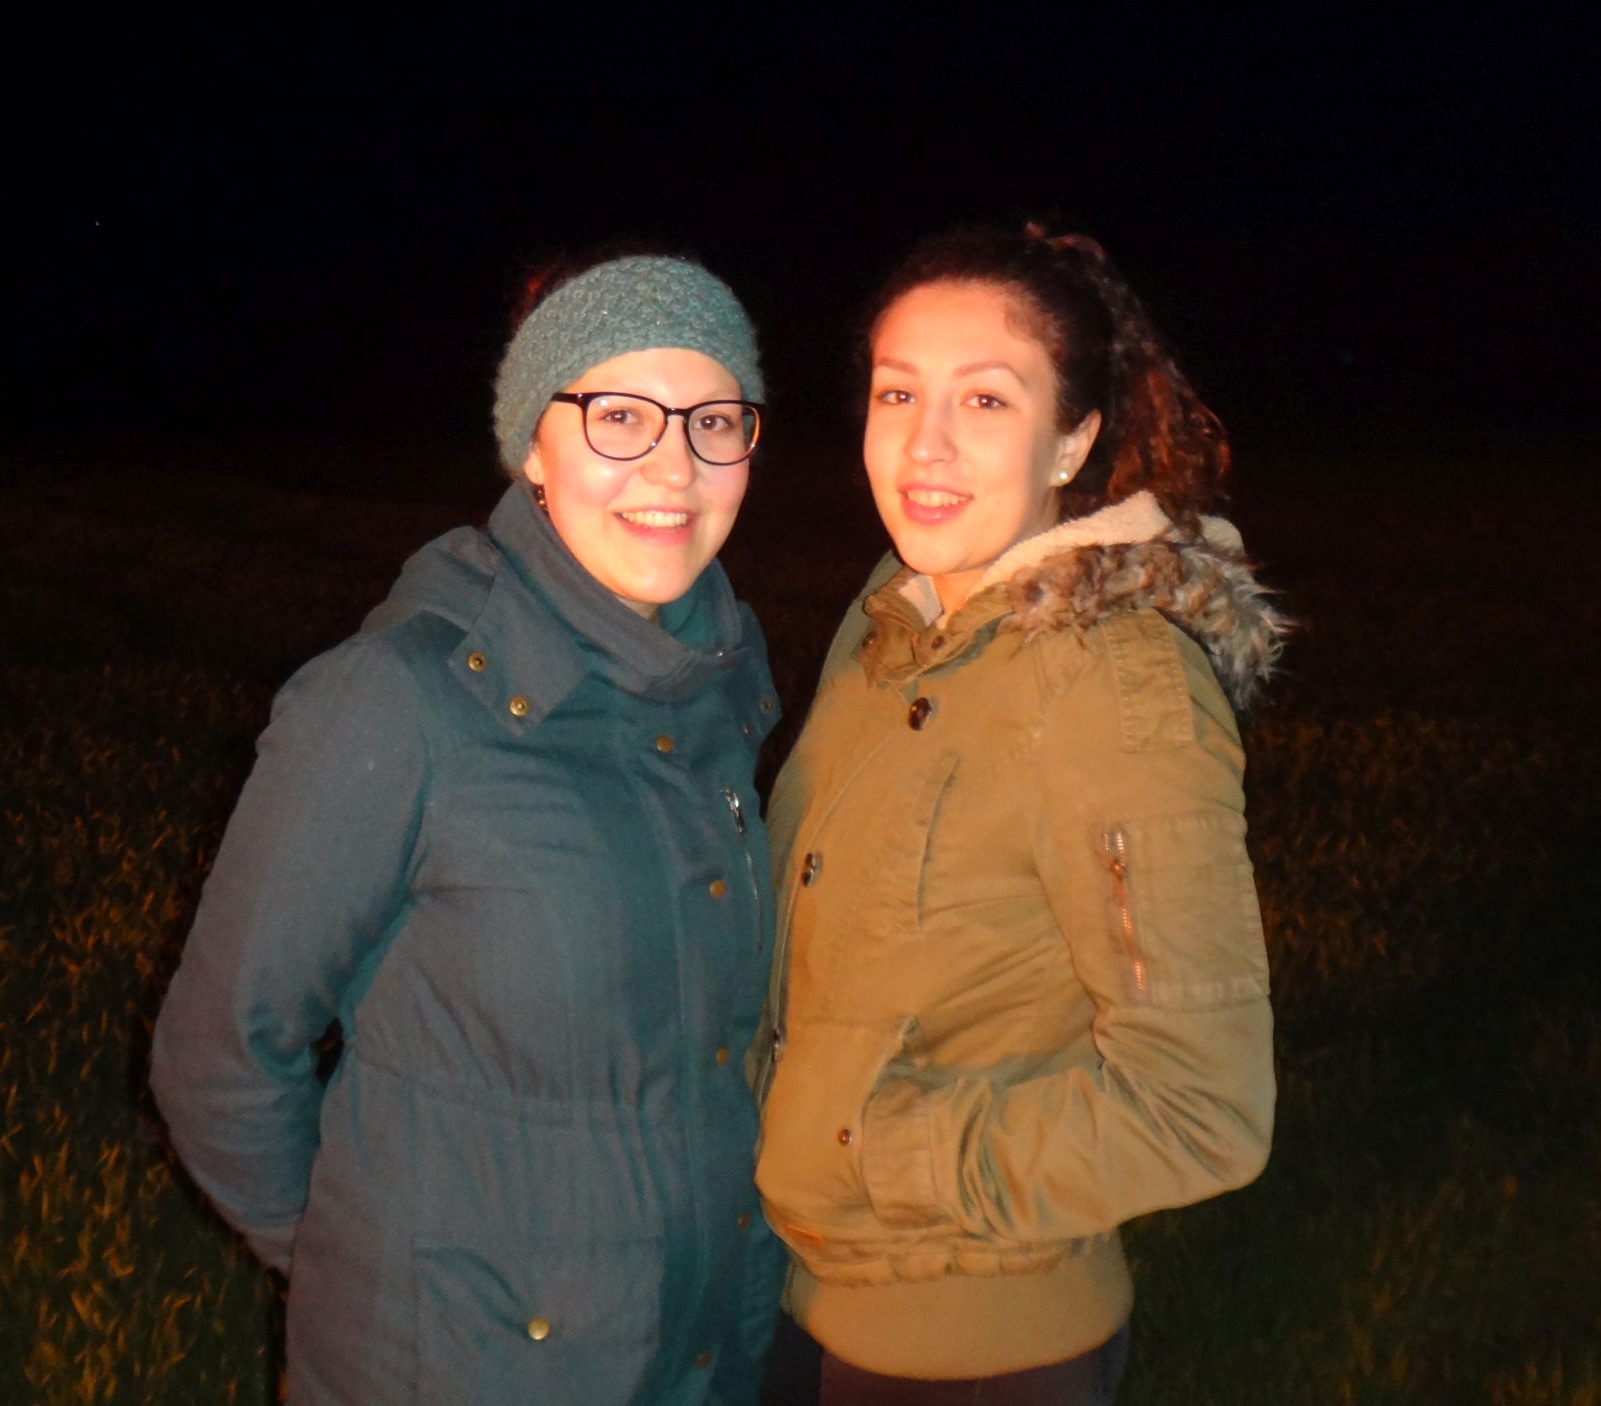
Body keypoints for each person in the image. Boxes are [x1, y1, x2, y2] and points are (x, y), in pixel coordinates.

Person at [150, 253, 785, 1405]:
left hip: (698, 1357)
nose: (673, 465)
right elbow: (219, 1056)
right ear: (532, 443)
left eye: (713, 419)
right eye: (619, 415)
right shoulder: (397, 701)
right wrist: (366, 1276)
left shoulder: (720, 684)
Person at [753, 225, 1287, 1404]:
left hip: (975, 1351)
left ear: (1074, 439)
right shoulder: (892, 620)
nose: (924, 442)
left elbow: (1201, 1109)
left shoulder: (1110, 684)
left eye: (986, 399)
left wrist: (859, 1147)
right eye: (898, 392)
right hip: (800, 1297)